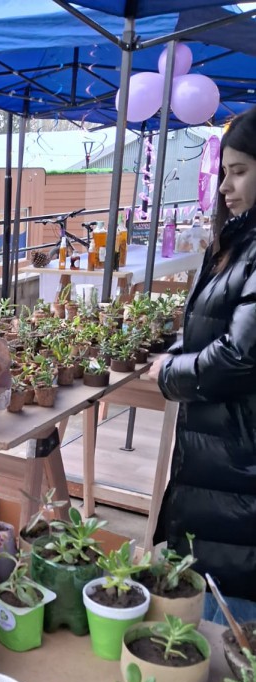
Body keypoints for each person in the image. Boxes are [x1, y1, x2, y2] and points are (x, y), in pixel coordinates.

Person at [149, 105, 256, 623]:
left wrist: (170, 374)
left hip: (237, 463)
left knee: (225, 625)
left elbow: (239, 356)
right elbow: (218, 331)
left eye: (240, 172)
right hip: (218, 458)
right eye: (225, 172)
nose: (225, 187)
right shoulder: (239, 240)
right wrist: (177, 350)